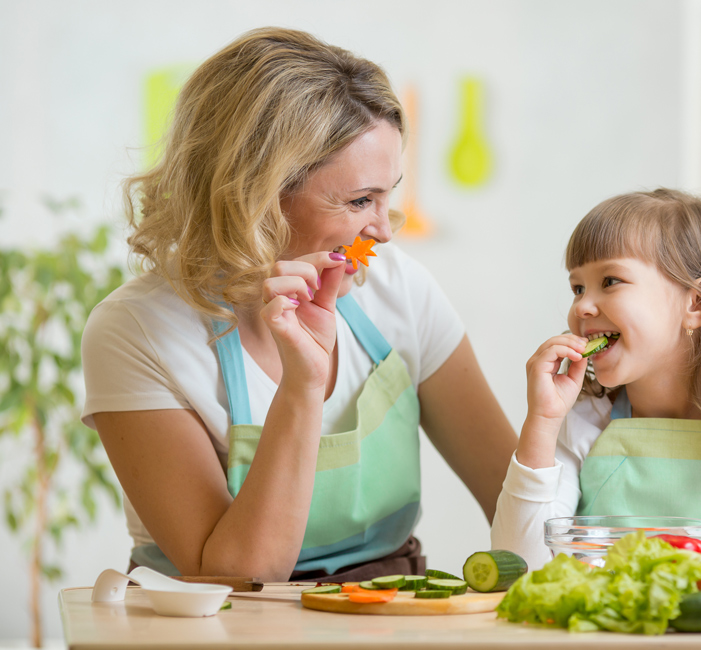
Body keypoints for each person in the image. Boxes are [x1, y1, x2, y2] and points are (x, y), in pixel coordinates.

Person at [81, 27, 517, 582]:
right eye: (361, 201)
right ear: (255, 195)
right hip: (219, 623)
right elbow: (235, 575)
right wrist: (302, 387)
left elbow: (515, 503)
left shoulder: (399, 288)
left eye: (389, 195)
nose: (384, 231)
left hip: (384, 611)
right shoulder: (136, 331)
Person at [491, 188, 701, 570]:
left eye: (610, 281)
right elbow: (519, 562)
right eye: (577, 287)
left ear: (697, 303)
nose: (582, 307)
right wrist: (542, 422)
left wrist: (700, 563)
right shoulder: (587, 414)